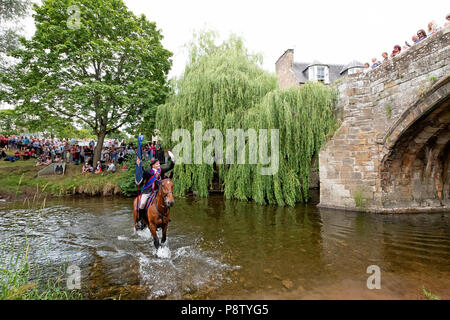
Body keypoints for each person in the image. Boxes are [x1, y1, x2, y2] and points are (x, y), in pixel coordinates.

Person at [136, 151, 175, 228]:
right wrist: (139, 165)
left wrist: (172, 159)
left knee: (167, 201)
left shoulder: (161, 171)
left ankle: (166, 217)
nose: (159, 165)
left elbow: (170, 167)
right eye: (157, 164)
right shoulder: (148, 172)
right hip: (148, 191)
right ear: (153, 166)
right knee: (143, 203)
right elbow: (142, 174)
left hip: (158, 191)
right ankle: (140, 220)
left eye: (159, 164)